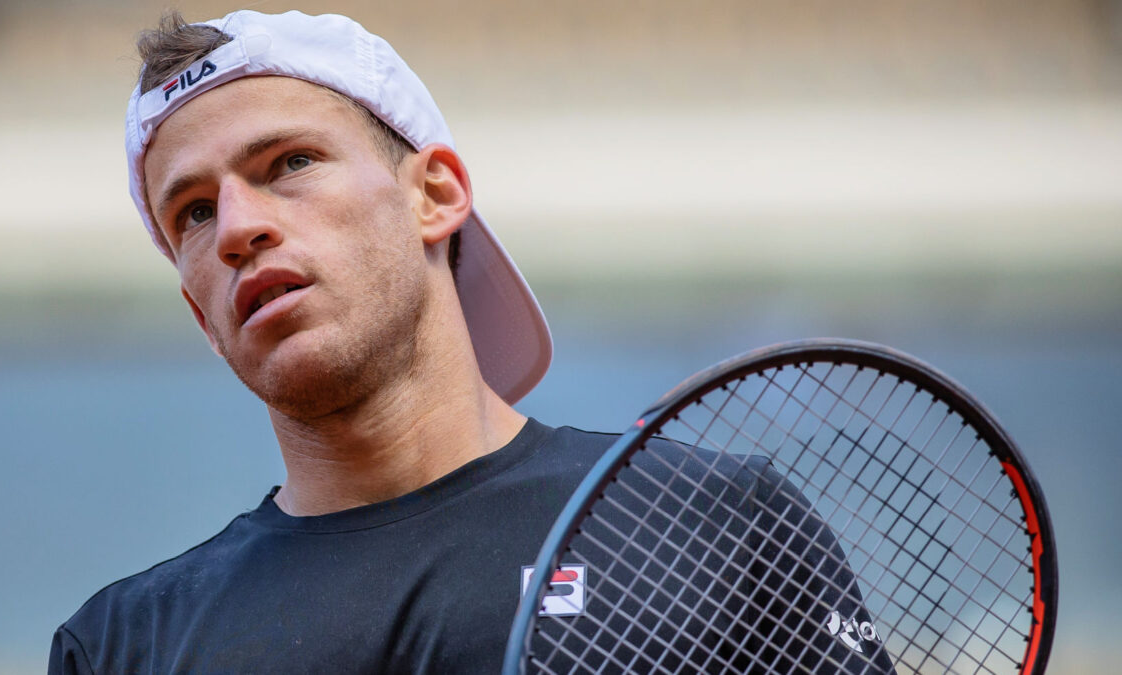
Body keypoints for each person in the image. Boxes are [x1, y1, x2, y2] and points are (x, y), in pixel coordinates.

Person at [49, 9, 892, 674]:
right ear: (199, 310)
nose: (237, 226)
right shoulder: (122, 644)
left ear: (435, 194)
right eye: (192, 211)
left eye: (289, 163)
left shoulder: (714, 521)